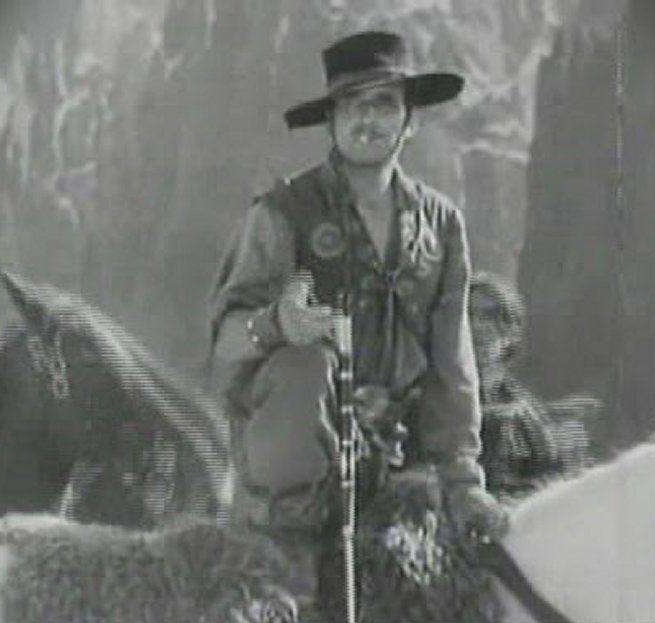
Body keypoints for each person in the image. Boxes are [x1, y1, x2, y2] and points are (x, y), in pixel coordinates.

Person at [208, 30, 508, 619]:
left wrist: (464, 481)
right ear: (331, 120)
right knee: (306, 363)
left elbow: (453, 365)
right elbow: (225, 343)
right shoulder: (283, 213)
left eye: (384, 104)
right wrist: (275, 324)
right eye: (352, 105)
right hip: (293, 476)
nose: (368, 120)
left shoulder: (441, 226)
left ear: (410, 120)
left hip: (398, 463)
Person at [469, 271, 599, 495]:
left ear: (511, 330)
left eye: (490, 315)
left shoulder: (517, 399)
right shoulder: (435, 394)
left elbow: (548, 469)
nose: (477, 326)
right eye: (468, 316)